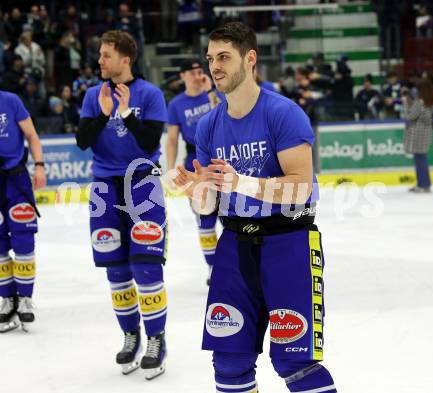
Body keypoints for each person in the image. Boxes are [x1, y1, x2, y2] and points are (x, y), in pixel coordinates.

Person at [174, 22, 337, 393]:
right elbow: (211, 201)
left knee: (296, 363)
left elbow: (300, 188)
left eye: (224, 57)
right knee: (229, 361)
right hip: (233, 245)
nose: (215, 66)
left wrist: (241, 183)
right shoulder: (208, 127)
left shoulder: (283, 113)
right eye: (211, 57)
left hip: (289, 242)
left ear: (250, 59)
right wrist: (195, 191)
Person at [75, 30, 168, 379]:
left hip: (143, 185)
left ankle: (157, 339)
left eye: (106, 55)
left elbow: (149, 142)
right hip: (105, 191)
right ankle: (131, 336)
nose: (100, 60)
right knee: (117, 272)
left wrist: (127, 113)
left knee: (146, 268)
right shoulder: (91, 95)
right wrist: (101, 114)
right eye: (100, 54)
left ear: (125, 59)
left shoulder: (151, 94)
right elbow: (83, 141)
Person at [166, 59, 221, 285]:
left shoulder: (215, 93)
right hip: (195, 162)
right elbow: (171, 139)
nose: (198, 75)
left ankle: (237, 265)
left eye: (201, 71)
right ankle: (213, 268)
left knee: (233, 219)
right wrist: (170, 169)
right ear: (183, 76)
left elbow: (225, 115)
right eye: (194, 72)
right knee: (205, 219)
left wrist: (210, 91)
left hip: (221, 158)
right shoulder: (176, 104)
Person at [0, 89, 47, 333]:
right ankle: (8, 299)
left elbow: (31, 134)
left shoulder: (10, 100)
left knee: (24, 240)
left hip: (16, 179)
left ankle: (25, 298)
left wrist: (39, 166)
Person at [402, 78, 433, 193]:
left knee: (420, 158)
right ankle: (423, 183)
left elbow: (410, 116)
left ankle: (423, 184)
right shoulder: (431, 101)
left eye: (418, 89)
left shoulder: (421, 101)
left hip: (418, 131)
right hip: (425, 130)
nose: (416, 91)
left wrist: (406, 102)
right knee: (421, 158)